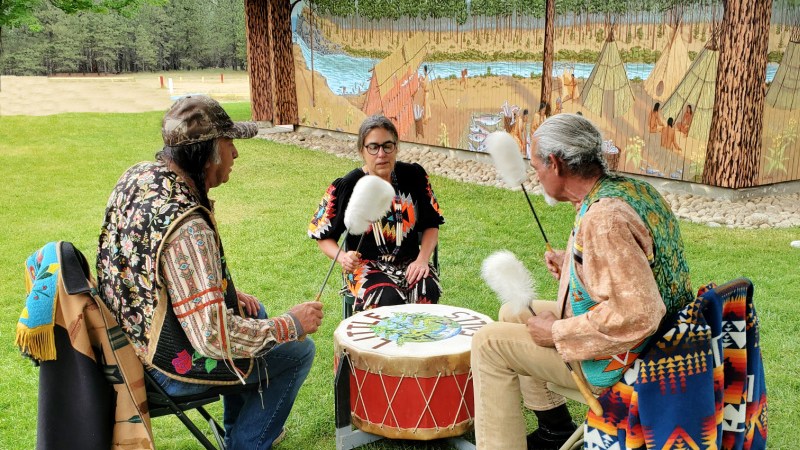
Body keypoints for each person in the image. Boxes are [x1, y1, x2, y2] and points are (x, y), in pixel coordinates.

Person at [97, 95, 324, 450]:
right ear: (207, 152)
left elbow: (147, 272)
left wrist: (224, 298)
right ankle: (246, 444)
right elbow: (212, 339)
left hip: (125, 341)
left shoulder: (139, 177)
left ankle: (239, 431)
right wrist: (290, 324)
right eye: (229, 142)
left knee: (252, 311)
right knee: (298, 352)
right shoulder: (188, 228)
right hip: (162, 367)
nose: (235, 153)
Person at [471, 113, 693, 450]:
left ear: (556, 164)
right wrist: (579, 265)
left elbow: (640, 312)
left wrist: (556, 333)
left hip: (635, 360)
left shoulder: (604, 218)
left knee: (488, 343)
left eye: (536, 167)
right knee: (513, 313)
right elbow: (639, 268)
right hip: (669, 339)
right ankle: (554, 429)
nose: (536, 175)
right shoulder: (632, 189)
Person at [308, 115, 445, 313]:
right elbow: (322, 236)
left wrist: (423, 259)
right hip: (365, 267)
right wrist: (343, 257)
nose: (381, 154)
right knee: (386, 297)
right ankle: (382, 343)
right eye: (373, 147)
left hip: (411, 261)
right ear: (361, 151)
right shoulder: (347, 186)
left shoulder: (414, 176)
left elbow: (431, 224)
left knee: (426, 289)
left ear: (396, 147)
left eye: (387, 146)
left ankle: (419, 341)